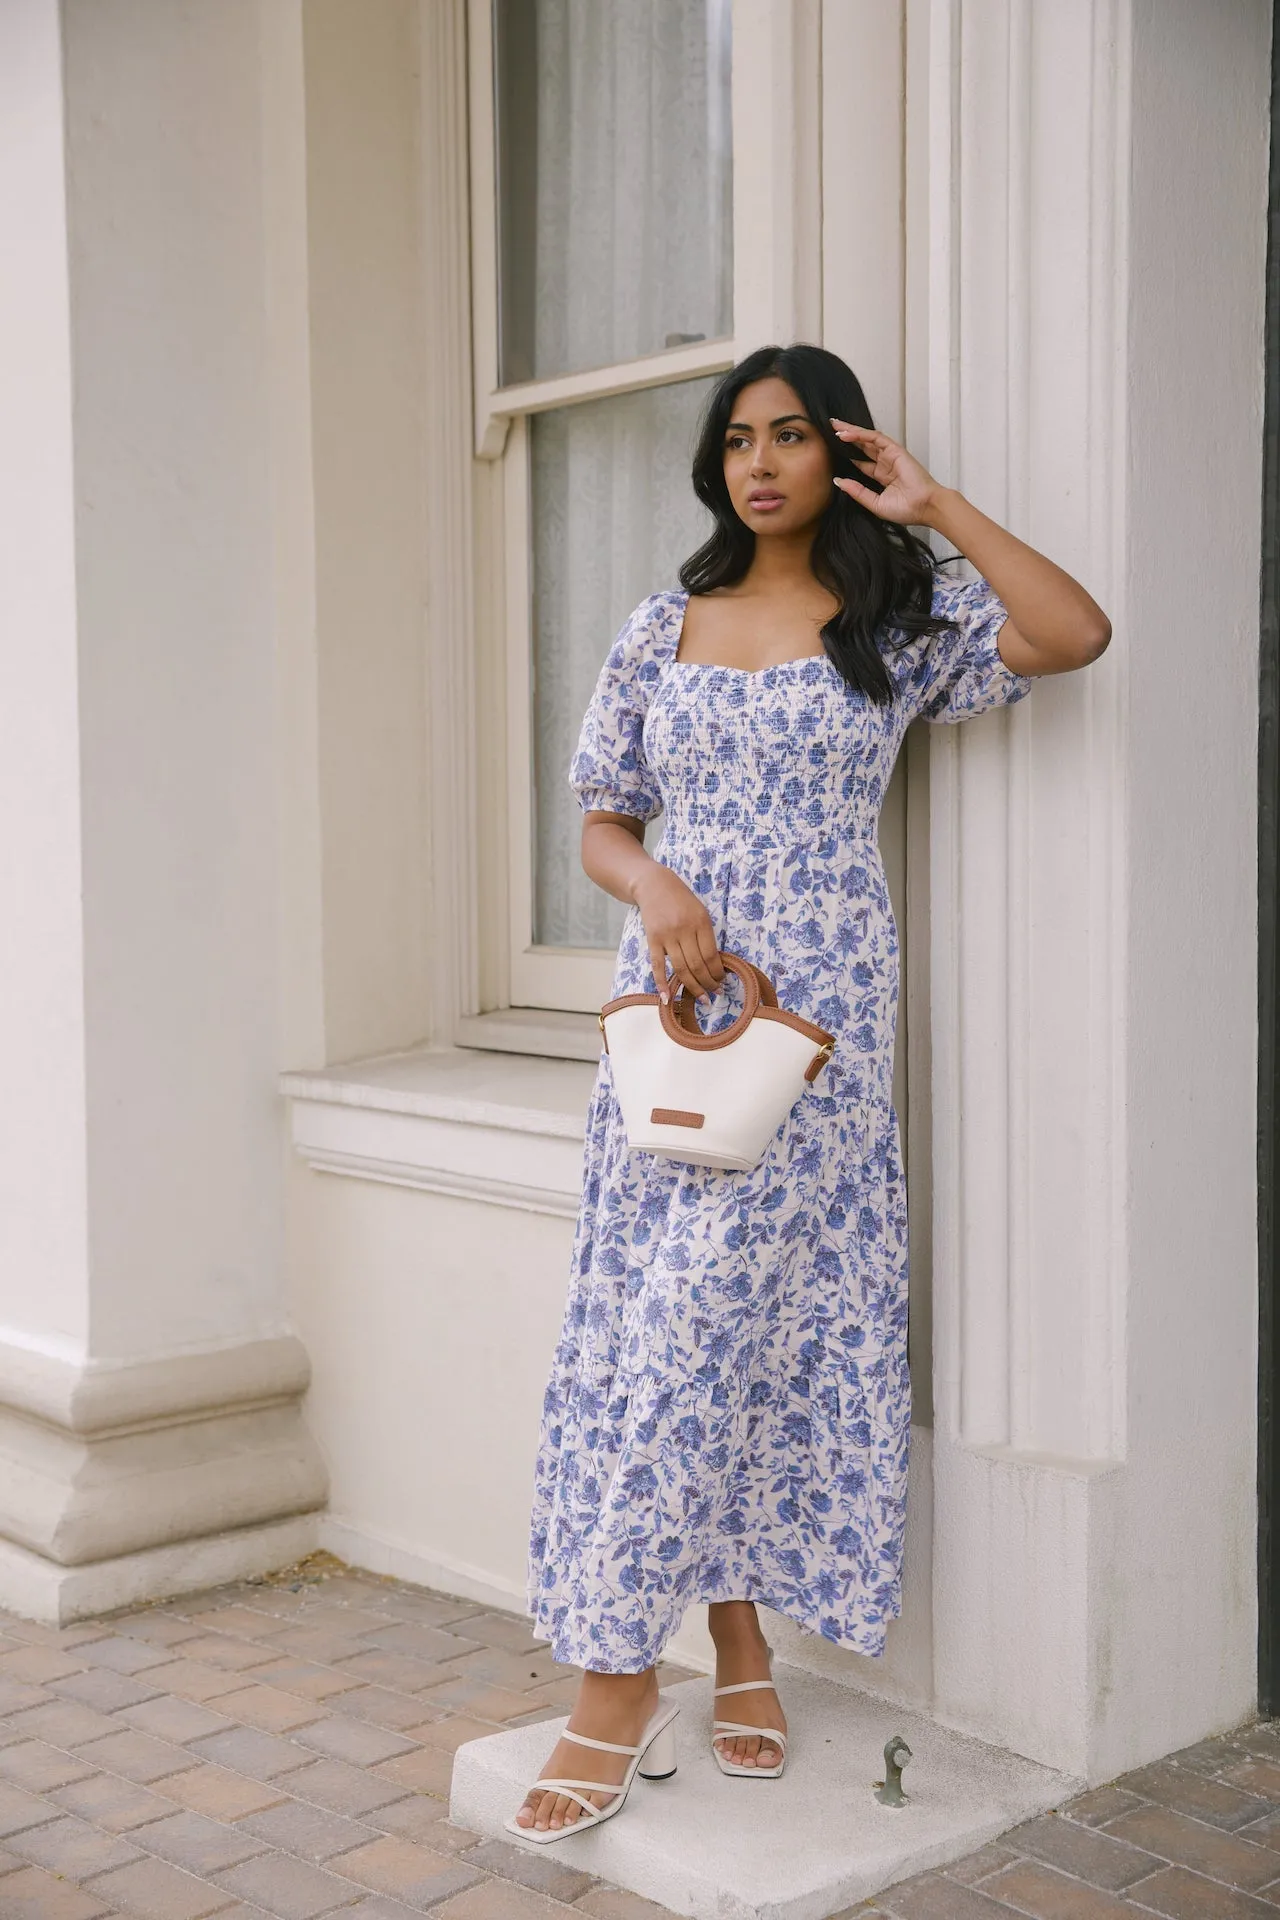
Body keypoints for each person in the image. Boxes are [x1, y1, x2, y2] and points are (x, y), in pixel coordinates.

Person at [509, 343, 1111, 1840]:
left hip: (820, 1028)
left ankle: (703, 1652)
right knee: (667, 1334)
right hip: (674, 1017)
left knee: (760, 1334)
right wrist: (654, 890)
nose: (760, 462)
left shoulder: (894, 620)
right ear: (715, 466)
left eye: (791, 437)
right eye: (737, 440)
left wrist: (936, 503)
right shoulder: (668, 623)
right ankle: (656, 1663)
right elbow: (600, 815)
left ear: (836, 457)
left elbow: (1073, 632)